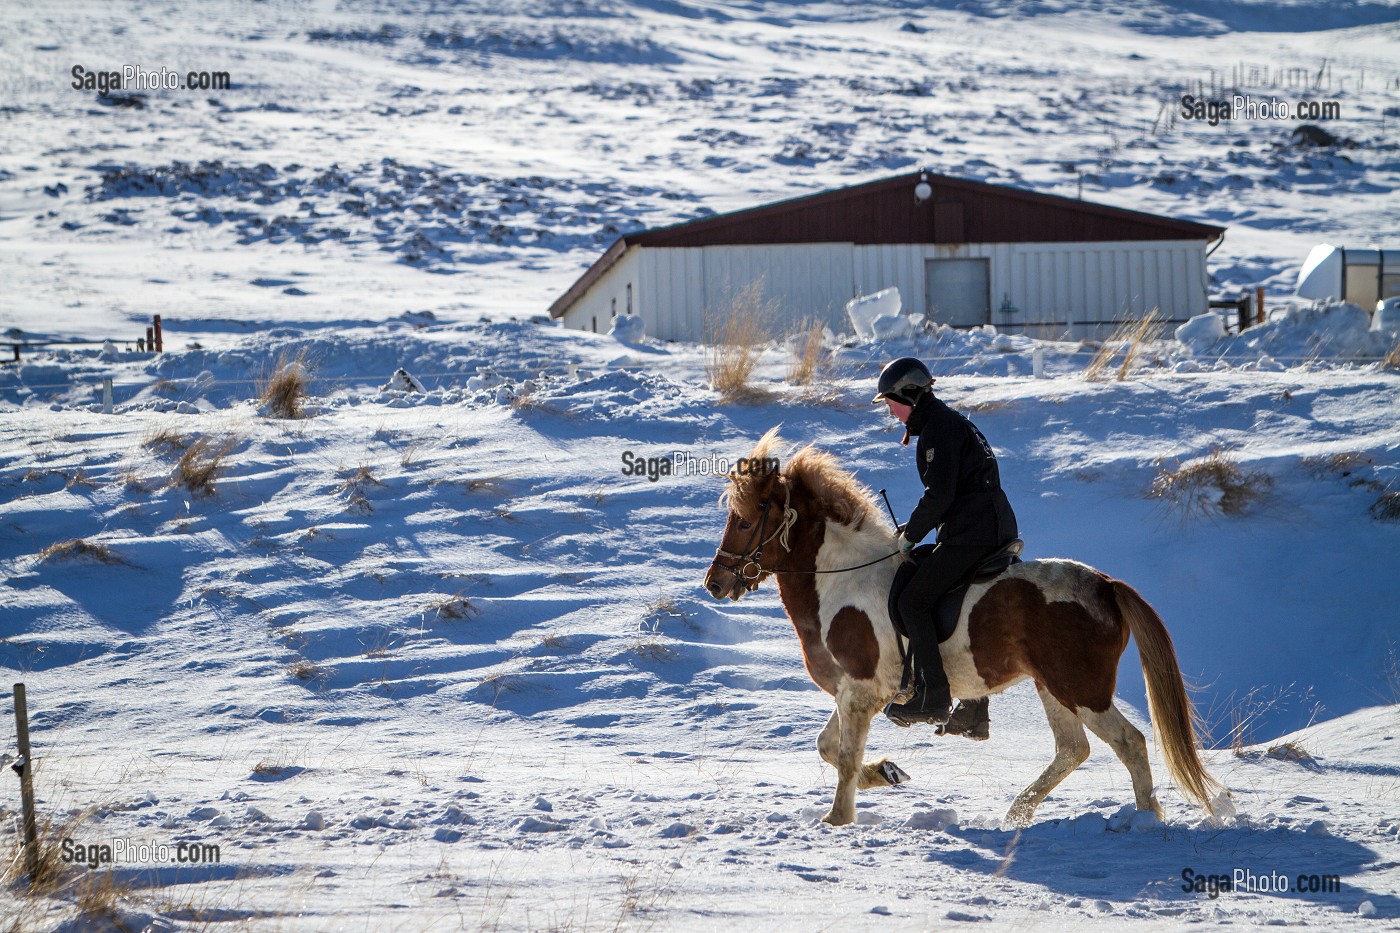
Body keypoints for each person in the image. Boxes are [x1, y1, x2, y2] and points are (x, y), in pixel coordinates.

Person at [872, 357, 1018, 738]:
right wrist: (917, 525)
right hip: (987, 526)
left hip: (974, 533)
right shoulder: (948, 422)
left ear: (911, 395)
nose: (889, 409)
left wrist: (910, 536)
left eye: (891, 401)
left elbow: (940, 495)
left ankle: (933, 696)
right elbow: (953, 492)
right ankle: (973, 711)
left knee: (913, 601)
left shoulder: (939, 428)